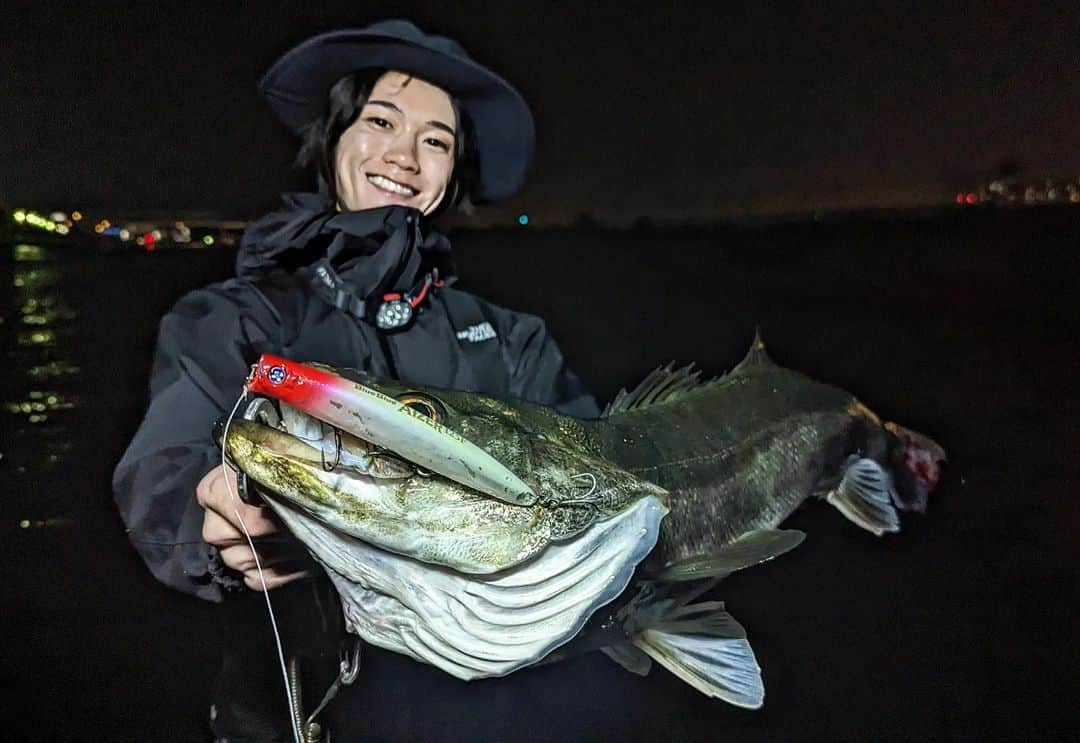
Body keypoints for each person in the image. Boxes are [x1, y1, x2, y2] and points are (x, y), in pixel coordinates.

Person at [112, 19, 598, 740]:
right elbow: (167, 469)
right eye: (380, 121)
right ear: (332, 138)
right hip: (293, 716)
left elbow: (596, 473)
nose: (405, 155)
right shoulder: (234, 320)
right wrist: (211, 519)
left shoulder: (511, 339)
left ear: (452, 173)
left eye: (436, 140)